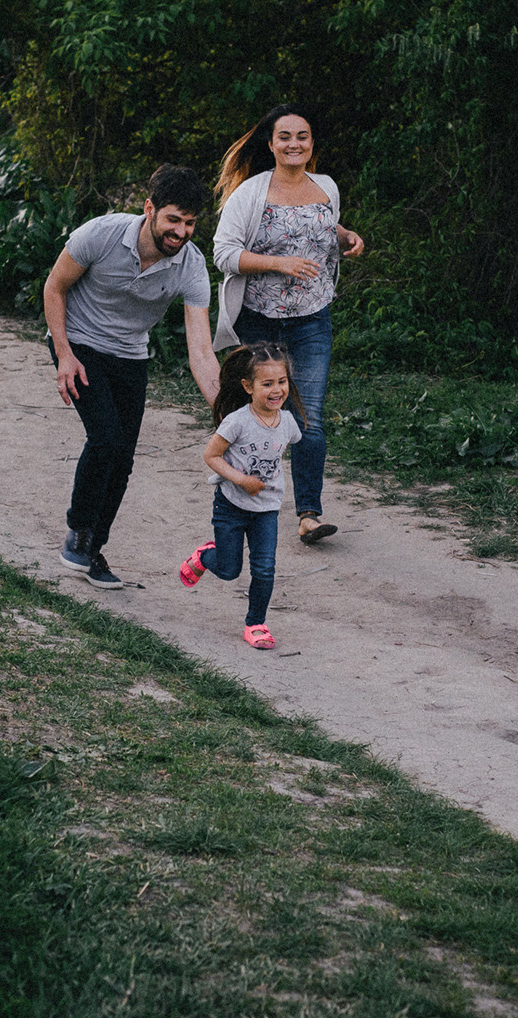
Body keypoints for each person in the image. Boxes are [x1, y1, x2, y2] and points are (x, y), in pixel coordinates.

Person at [43, 164, 220, 587]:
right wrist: (64, 354)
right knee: (105, 438)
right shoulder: (101, 235)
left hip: (129, 354)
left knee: (122, 459)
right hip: (79, 340)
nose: (181, 231)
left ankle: (93, 550)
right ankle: (80, 531)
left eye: (190, 223)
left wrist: (226, 409)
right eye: (173, 219)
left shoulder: (192, 267)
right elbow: (54, 287)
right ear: (150, 210)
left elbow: (201, 350)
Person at [210, 105, 365, 545]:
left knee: (309, 418)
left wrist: (347, 237)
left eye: (303, 136)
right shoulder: (250, 193)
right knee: (261, 414)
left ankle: (309, 516)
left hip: (313, 320)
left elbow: (323, 226)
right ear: (271, 144)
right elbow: (223, 253)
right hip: (260, 320)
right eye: (285, 137)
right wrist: (277, 264)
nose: (294, 144)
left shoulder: (327, 187)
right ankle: (241, 495)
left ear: (311, 142)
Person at [177, 343, 304, 648]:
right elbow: (212, 456)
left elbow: (287, 445)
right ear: (248, 386)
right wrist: (242, 479)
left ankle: (256, 623)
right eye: (268, 384)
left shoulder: (287, 422)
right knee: (229, 569)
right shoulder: (237, 421)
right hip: (231, 506)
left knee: (264, 567)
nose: (277, 390)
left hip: (267, 509)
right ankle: (206, 556)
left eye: (282, 382)